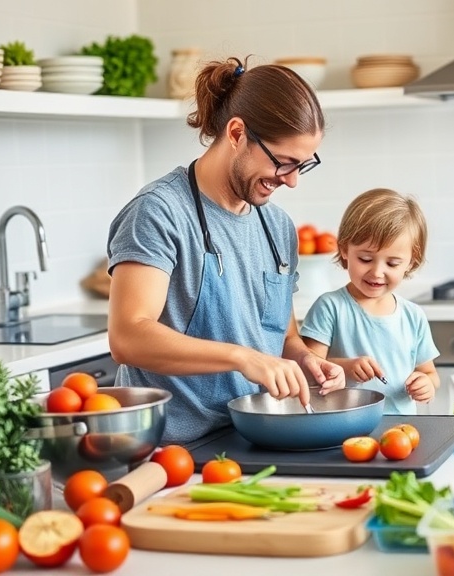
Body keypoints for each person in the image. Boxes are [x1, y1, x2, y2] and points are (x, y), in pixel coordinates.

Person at [106, 57, 345, 444]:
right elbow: (127, 337)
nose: (293, 181)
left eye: (302, 165)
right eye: (284, 163)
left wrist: (306, 361)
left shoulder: (278, 227)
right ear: (236, 133)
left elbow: (282, 338)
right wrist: (242, 357)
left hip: (255, 436)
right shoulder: (159, 212)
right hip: (172, 450)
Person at [300, 188, 439, 414]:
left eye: (392, 264)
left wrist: (426, 384)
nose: (377, 272)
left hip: (401, 432)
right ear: (344, 249)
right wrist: (346, 367)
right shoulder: (330, 307)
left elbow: (430, 373)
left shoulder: (413, 316)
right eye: (365, 259)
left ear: (411, 263)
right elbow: (308, 368)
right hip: (344, 428)